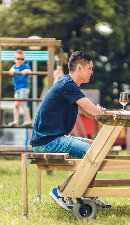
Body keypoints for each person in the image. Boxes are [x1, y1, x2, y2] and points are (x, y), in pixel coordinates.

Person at [30, 50, 111, 211]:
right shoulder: (67, 85)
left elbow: (89, 112)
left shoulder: (69, 85)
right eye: (90, 68)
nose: (92, 72)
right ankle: (61, 192)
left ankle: (88, 195)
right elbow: (93, 112)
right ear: (79, 68)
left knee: (96, 146)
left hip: (52, 138)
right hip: (47, 141)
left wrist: (97, 111)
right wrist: (99, 111)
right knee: (94, 152)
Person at [7, 49, 33, 127]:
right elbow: (10, 71)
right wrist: (11, 71)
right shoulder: (14, 67)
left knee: (23, 104)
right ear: (15, 60)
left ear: (24, 60)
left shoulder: (25, 66)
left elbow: (31, 73)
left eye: (22, 59)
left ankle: (28, 120)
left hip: (24, 87)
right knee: (16, 105)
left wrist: (27, 71)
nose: (20, 60)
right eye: (18, 59)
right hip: (17, 88)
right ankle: (16, 121)